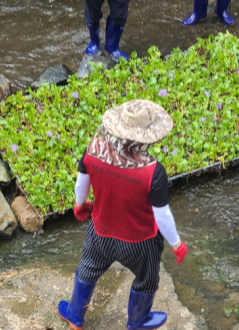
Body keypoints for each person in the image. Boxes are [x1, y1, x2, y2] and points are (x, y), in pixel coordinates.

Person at [57, 99, 187, 330]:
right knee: (147, 279)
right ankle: (138, 321)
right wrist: (177, 244)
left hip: (101, 233)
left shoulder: (93, 152)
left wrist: (80, 206)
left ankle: (75, 315)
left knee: (88, 268)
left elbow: (81, 186)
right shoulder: (153, 172)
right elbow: (162, 216)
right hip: (140, 241)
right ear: (148, 136)